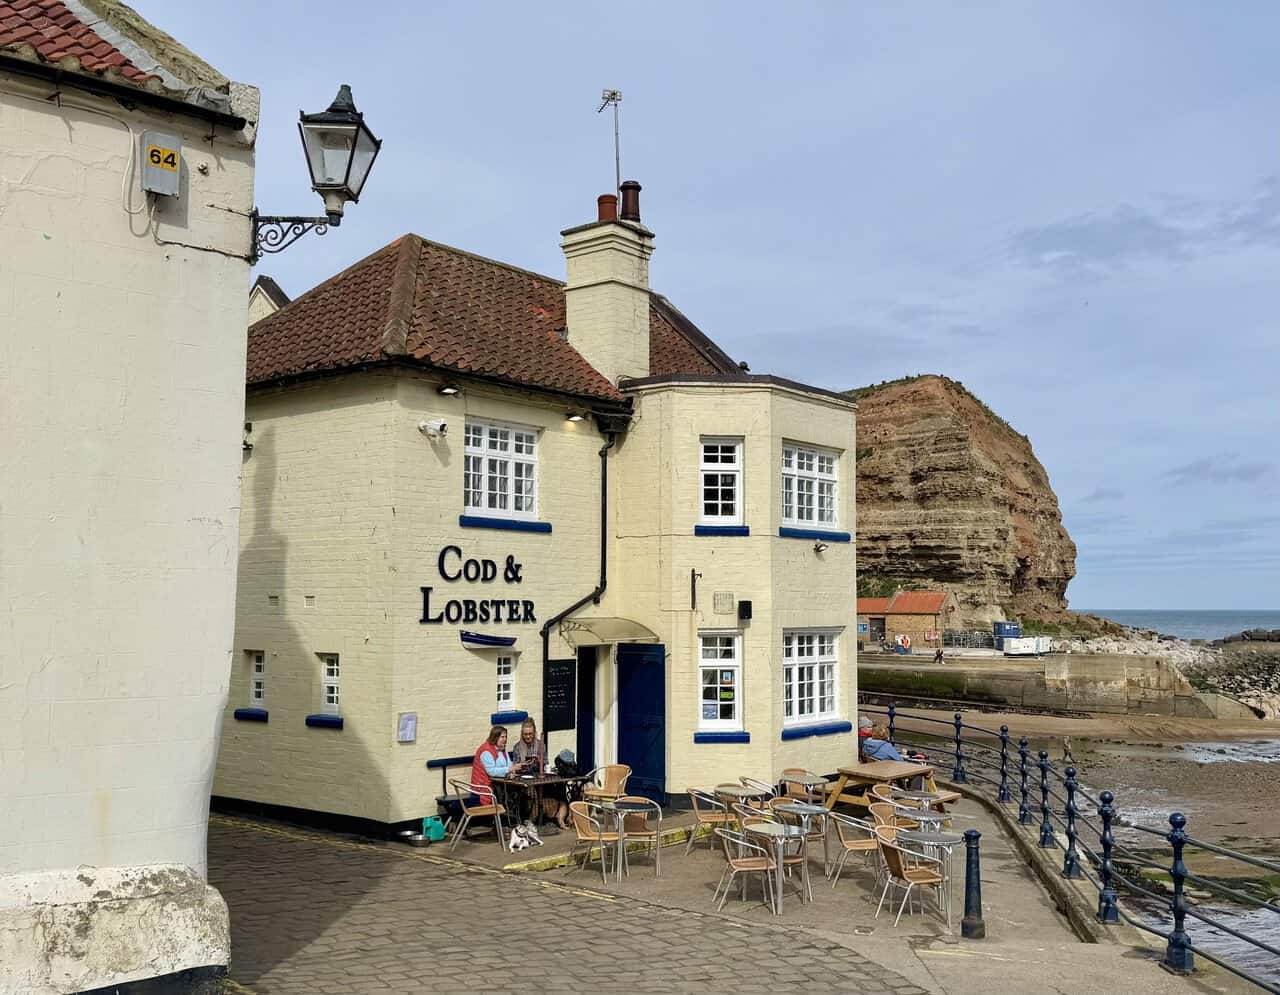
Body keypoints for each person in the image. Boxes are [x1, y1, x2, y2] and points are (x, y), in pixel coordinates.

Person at [470, 725, 538, 834]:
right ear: (495, 737)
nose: (505, 740)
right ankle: (507, 823)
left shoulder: (502, 750)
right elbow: (491, 771)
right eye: (502, 737)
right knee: (510, 794)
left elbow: (509, 765)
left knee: (522, 792)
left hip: (500, 782)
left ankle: (520, 822)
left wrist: (513, 770)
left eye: (505, 737)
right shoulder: (486, 751)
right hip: (485, 785)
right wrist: (510, 769)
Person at [510, 718, 569, 829]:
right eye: (525, 734)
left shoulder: (540, 745)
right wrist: (522, 766)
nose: (528, 737)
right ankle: (532, 820)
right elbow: (515, 767)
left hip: (540, 778)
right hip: (525, 781)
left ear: (534, 732)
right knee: (532, 792)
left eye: (530, 734)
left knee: (559, 788)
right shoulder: (517, 747)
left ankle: (555, 816)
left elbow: (546, 762)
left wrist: (539, 763)